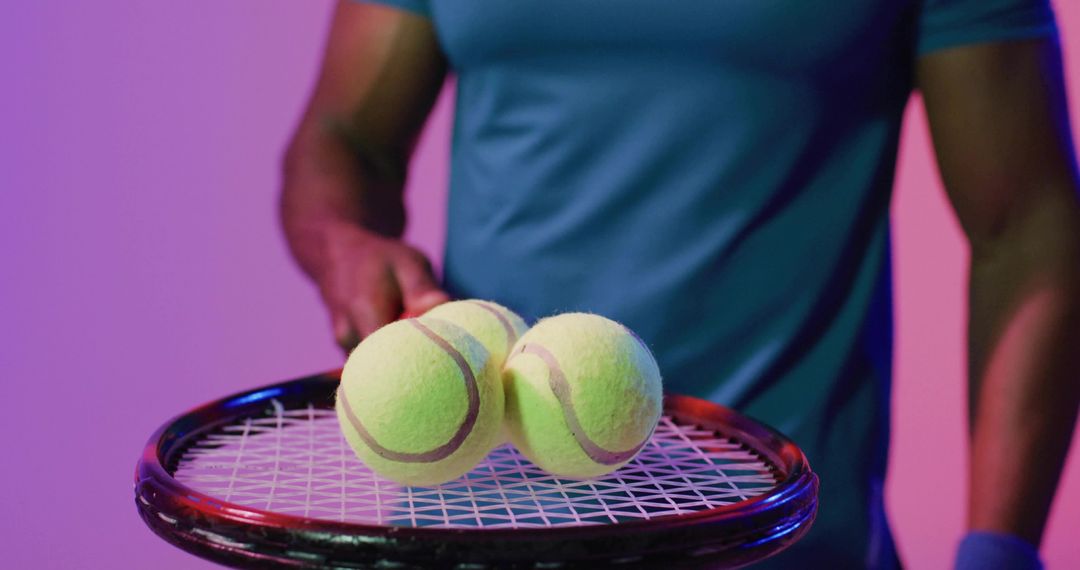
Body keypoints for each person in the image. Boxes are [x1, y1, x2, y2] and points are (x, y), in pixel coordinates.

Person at [280, 1, 1080, 567]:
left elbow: (1028, 224)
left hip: (778, 543)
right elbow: (343, 137)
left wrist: (1000, 552)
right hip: (472, 532)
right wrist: (347, 247)